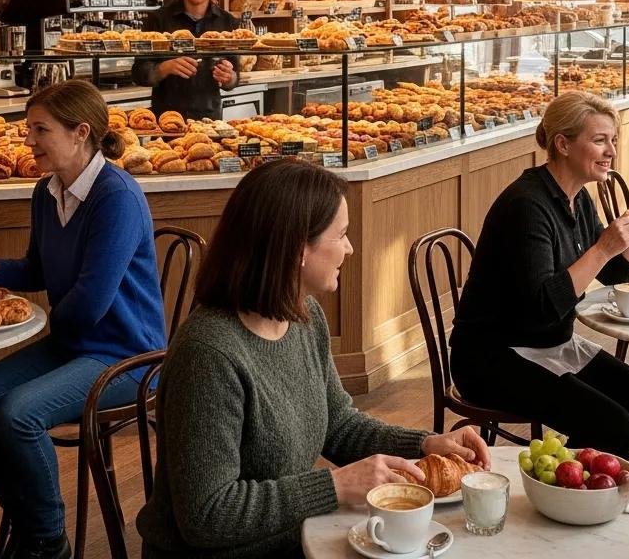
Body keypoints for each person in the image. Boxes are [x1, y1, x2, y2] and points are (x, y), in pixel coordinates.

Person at [136, 159, 490, 559]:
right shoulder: (210, 354)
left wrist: (426, 444)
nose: (350, 248)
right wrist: (334, 487)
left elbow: (338, 425)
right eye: (341, 234)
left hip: (293, 536)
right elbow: (207, 515)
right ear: (297, 248)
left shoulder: (303, 315)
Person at [0, 81, 167, 559]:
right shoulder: (46, 193)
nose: (29, 142)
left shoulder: (117, 198)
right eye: (29, 130)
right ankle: (32, 519)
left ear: (80, 132)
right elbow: (39, 268)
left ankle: (48, 541)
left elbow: (89, 302)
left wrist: (35, 319)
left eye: (40, 130)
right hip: (75, 344)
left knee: (18, 415)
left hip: (127, 354)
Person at [449, 92, 629, 458]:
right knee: (613, 426)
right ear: (563, 144)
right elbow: (541, 309)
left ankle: (567, 478)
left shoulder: (577, 197)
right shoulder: (527, 205)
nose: (611, 151)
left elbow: (617, 273)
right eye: (599, 140)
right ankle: (557, 486)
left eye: (612, 140)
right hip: (492, 356)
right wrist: (602, 248)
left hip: (547, 343)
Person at [131, 0, 239, 119]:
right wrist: (164, 68)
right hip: (165, 122)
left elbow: (234, 78)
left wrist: (228, 77)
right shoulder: (158, 19)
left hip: (210, 123)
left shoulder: (228, 23)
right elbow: (138, 73)